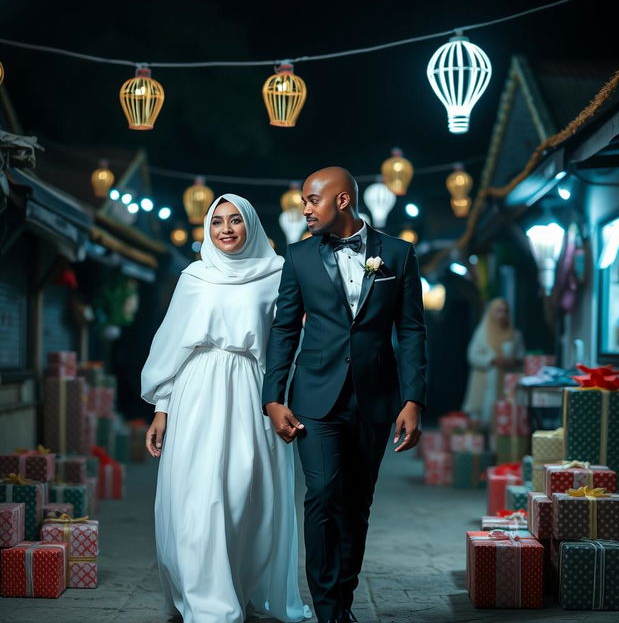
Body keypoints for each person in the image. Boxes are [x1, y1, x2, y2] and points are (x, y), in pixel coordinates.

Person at [262, 167, 428, 623]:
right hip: (314, 398)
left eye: (312, 200)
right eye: (303, 200)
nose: (305, 209)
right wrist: (272, 398)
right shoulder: (298, 257)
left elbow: (411, 329)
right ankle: (328, 609)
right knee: (322, 493)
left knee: (357, 504)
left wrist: (413, 400)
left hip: (375, 399)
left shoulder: (397, 253)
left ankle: (344, 601)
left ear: (341, 200)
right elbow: (282, 329)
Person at [141, 194, 310, 623]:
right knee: (196, 499)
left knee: (246, 500)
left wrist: (282, 399)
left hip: (253, 393)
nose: (227, 229)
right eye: (217, 222)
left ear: (251, 225)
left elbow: (289, 343)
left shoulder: (277, 275)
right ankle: (205, 602)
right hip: (196, 392)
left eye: (236, 220)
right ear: (208, 229)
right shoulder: (195, 276)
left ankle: (238, 588)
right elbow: (171, 346)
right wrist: (162, 407)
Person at [462, 297, 525, 429]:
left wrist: (512, 362)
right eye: (498, 311)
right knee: (483, 423)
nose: (502, 315)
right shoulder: (482, 333)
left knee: (506, 421)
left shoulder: (515, 335)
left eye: (505, 311)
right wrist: (491, 360)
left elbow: (521, 357)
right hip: (486, 383)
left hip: (508, 384)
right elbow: (472, 355)